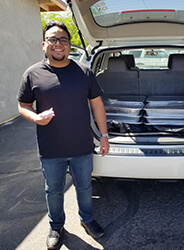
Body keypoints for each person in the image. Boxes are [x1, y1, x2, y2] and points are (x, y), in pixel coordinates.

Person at [17, 21, 110, 249]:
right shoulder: (33, 74)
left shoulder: (84, 72)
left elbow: (97, 105)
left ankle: (87, 219)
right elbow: (23, 105)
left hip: (81, 146)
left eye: (63, 40)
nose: (58, 44)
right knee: (54, 190)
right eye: (52, 39)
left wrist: (105, 135)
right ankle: (56, 225)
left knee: (85, 187)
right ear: (44, 45)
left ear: (69, 46)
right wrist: (36, 118)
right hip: (51, 148)